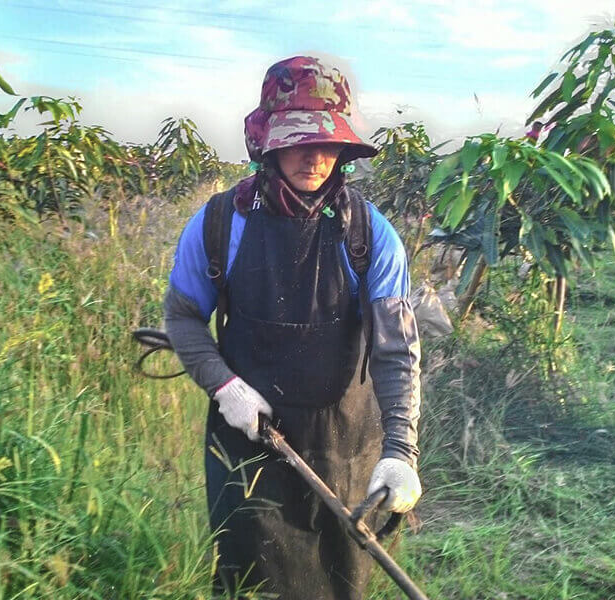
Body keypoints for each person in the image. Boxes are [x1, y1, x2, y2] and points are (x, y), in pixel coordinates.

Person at [164, 56, 422, 600]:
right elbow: (182, 318)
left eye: (328, 142)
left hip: (345, 444)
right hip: (249, 445)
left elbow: (395, 351)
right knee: (249, 579)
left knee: (340, 580)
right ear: (268, 143)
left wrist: (400, 451)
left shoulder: (370, 235)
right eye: (299, 139)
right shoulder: (217, 225)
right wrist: (224, 384)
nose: (315, 155)